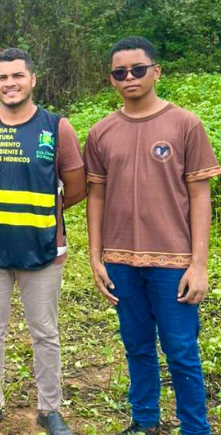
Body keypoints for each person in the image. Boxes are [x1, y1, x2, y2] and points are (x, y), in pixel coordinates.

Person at [84, 36, 219, 435]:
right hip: (121, 262)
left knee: (181, 350)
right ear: (111, 79)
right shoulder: (101, 132)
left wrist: (199, 264)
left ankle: (195, 427)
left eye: (138, 70)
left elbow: (199, 196)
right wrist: (96, 257)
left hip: (173, 263)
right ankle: (145, 420)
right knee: (137, 346)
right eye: (119, 72)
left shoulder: (185, 124)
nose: (129, 78)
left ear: (156, 71)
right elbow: (96, 196)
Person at [0, 48, 86, 435]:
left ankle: (49, 410)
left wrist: (41, 217)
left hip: (42, 250)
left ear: (32, 80)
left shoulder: (56, 128)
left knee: (45, 331)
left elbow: (76, 188)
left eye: (17, 76)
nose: (9, 83)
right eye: (2, 78)